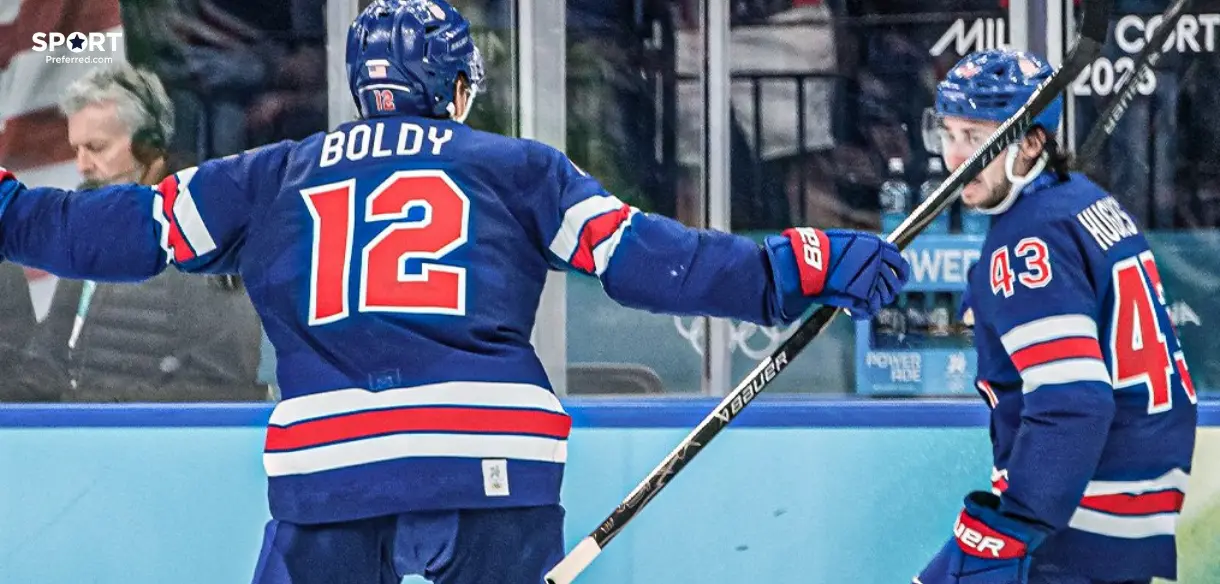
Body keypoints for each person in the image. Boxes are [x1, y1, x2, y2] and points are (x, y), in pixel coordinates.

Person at [0, 1, 909, 582]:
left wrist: (6, 210)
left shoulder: (273, 174)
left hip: (332, 468)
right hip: (492, 457)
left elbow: (116, 232)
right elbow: (650, 260)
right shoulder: (518, 168)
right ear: (457, 86)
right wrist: (796, 266)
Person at [914, 49, 1198, 584]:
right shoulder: (1085, 201)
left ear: (1031, 143)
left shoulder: (1029, 239)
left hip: (1072, 518)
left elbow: (1071, 401)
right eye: (948, 134)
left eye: (974, 137)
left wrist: (1015, 525)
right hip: (1130, 504)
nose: (954, 157)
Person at [16, 63, 266, 402]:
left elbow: (224, 387)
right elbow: (48, 361)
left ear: (150, 147)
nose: (82, 166)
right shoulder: (88, 227)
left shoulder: (205, 233)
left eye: (96, 147)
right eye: (77, 150)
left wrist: (95, 405)